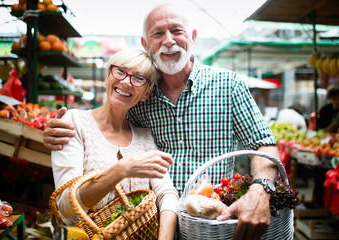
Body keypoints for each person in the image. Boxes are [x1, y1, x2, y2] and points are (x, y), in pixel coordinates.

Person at [44, 4, 279, 240]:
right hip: (148, 228)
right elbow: (103, 130)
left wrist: (261, 189)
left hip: (212, 226)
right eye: (157, 33)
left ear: (193, 37)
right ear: (146, 44)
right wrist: (53, 129)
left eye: (177, 31)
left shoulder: (228, 85)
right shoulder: (138, 96)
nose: (168, 41)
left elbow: (263, 142)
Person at [51, 49, 178, 240]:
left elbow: (167, 193)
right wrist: (121, 169)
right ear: (107, 76)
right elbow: (66, 206)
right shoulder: (74, 122)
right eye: (120, 71)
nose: (126, 81)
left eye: (138, 78)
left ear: (146, 92)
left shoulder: (144, 138)